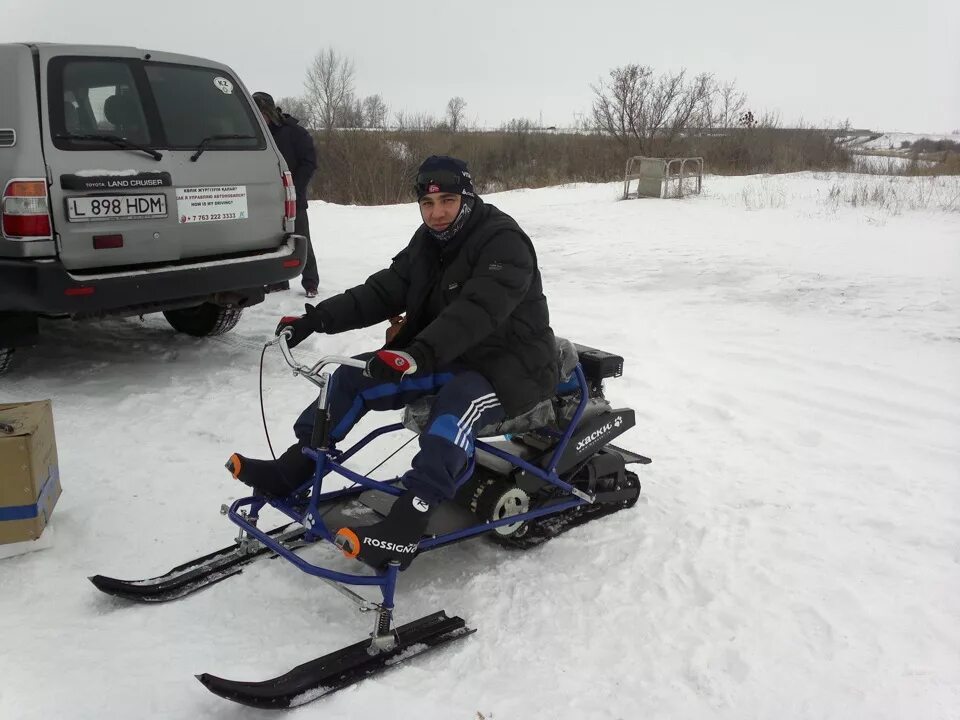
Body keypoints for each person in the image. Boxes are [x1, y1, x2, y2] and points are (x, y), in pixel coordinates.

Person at [227, 155, 557, 570]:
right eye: (427, 205)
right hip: (449, 352)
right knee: (350, 378)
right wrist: (315, 320)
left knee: (454, 408)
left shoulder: (502, 241)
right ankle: (295, 468)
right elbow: (383, 290)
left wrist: (415, 352)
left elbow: (476, 312)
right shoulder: (429, 242)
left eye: (448, 201)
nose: (437, 214)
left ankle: (407, 523)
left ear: (468, 198)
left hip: (510, 366)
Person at [253, 91, 319, 297]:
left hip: (293, 198)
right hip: (267, 199)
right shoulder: (255, 134)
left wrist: (294, 188)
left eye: (261, 113)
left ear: (269, 112)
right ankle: (278, 281)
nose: (258, 118)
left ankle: (311, 283)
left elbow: (310, 162)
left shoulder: (294, 132)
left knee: (300, 238)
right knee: (273, 241)